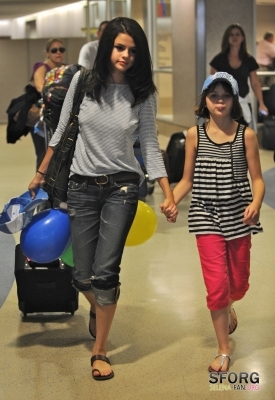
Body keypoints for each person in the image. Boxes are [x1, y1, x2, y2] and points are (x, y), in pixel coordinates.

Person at [28, 17, 177, 380]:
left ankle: (100, 350)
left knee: (105, 272)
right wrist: (40, 173)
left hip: (122, 188)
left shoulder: (142, 93)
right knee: (81, 276)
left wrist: (169, 193)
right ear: (107, 46)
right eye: (120, 47)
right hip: (80, 186)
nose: (125, 55)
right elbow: (61, 130)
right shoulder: (82, 82)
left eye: (132, 50)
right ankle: (102, 303)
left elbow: (150, 146)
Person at [162, 72, 265, 372]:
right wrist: (173, 200)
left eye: (226, 96)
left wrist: (256, 203)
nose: (220, 102)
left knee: (239, 285)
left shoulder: (246, 135)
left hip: (238, 217)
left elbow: (257, 180)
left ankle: (230, 304)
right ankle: (223, 348)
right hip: (205, 216)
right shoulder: (194, 134)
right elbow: (186, 180)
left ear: (234, 100)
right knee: (217, 286)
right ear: (205, 100)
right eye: (213, 96)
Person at [209, 23, 268, 127]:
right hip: (224, 104)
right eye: (231, 35)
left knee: (243, 137)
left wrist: (261, 103)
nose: (234, 37)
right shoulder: (219, 59)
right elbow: (212, 83)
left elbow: (255, 83)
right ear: (227, 38)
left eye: (237, 34)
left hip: (243, 102)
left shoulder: (249, 60)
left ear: (242, 38)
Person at [30, 38, 66, 169]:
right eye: (54, 50)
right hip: (42, 116)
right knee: (44, 153)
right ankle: (40, 185)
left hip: (60, 114)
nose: (58, 53)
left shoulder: (66, 69)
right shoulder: (42, 67)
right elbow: (41, 88)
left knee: (60, 152)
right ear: (47, 53)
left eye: (61, 50)